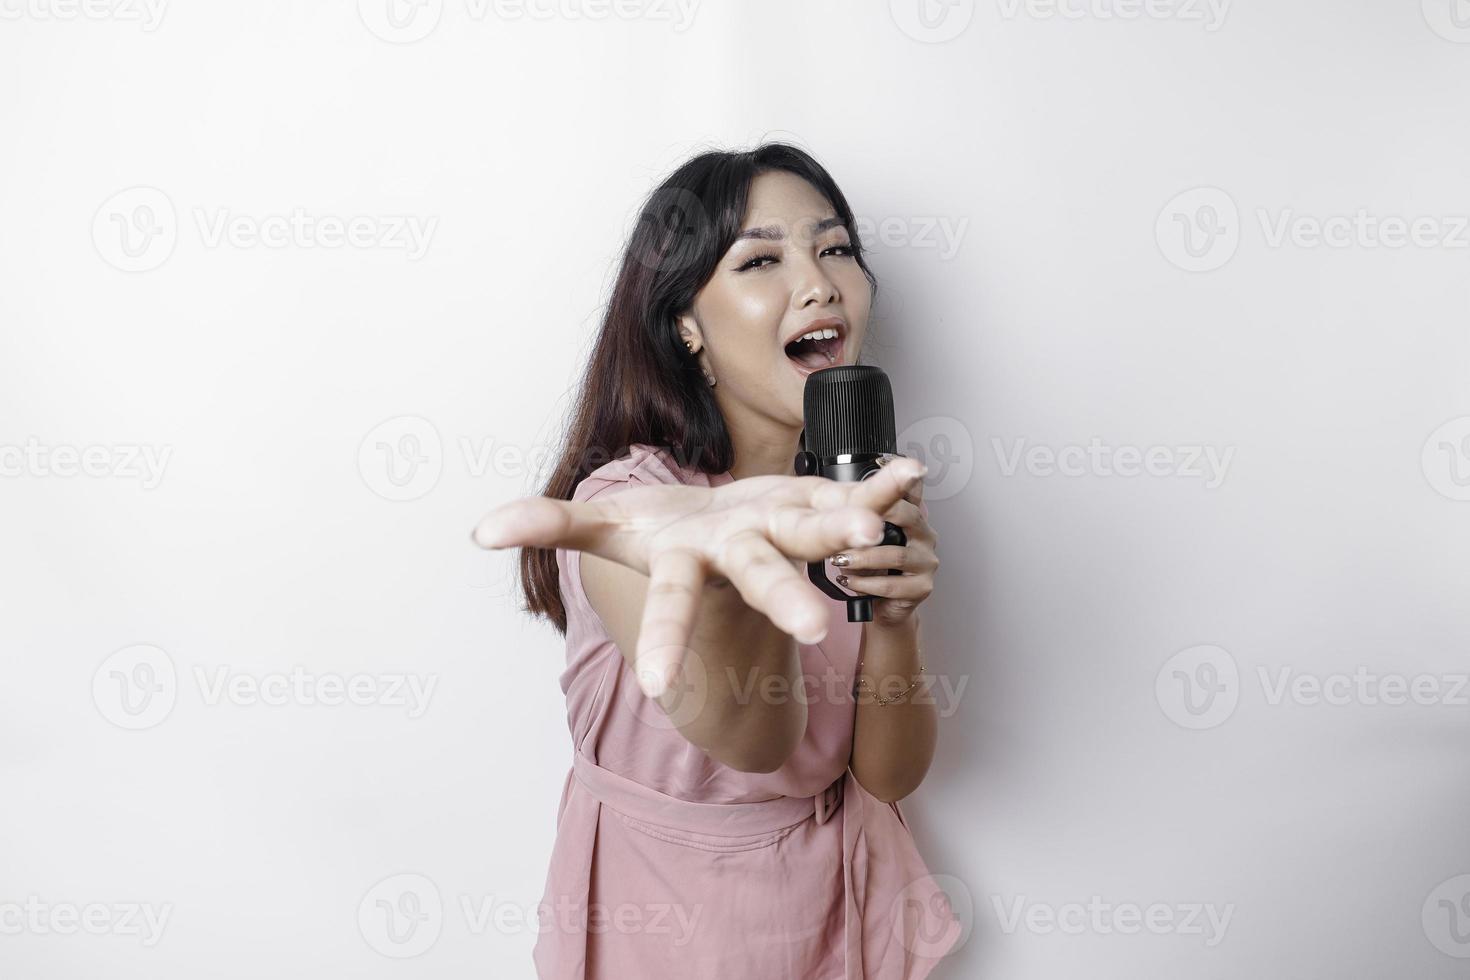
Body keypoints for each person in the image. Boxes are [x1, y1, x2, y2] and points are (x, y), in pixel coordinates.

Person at [472, 142, 962, 978]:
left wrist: (896, 619)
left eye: (836, 248)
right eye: (761, 259)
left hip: (836, 912)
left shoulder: (861, 486)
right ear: (685, 324)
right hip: (670, 926)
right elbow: (753, 740)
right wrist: (737, 584)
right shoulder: (628, 511)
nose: (819, 283)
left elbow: (886, 776)